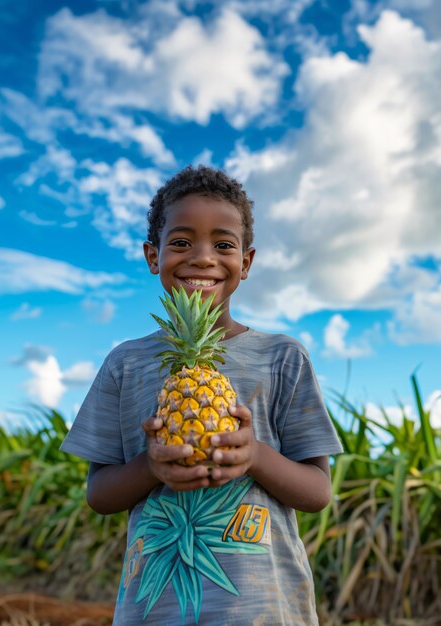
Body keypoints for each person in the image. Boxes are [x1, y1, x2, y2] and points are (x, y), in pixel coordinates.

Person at [60, 165, 343, 625]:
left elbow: (318, 491)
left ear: (246, 263)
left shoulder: (283, 357)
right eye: (181, 242)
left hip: (263, 609)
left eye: (224, 245)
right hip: (155, 610)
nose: (203, 258)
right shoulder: (125, 363)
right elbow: (99, 493)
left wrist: (254, 455)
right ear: (153, 256)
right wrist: (149, 467)